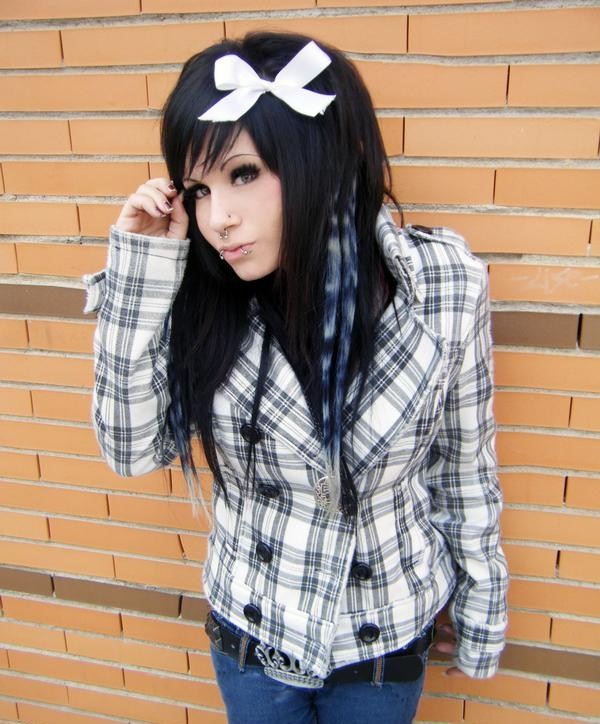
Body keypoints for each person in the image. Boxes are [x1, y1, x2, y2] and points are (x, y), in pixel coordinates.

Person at [84, 31, 508, 724]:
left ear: (321, 157)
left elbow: (464, 463)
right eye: (199, 188)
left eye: (244, 174)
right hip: (253, 636)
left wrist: (480, 608)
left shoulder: (441, 286)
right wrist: (140, 266)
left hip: (383, 635)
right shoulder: (196, 291)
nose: (217, 218)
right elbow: (131, 451)